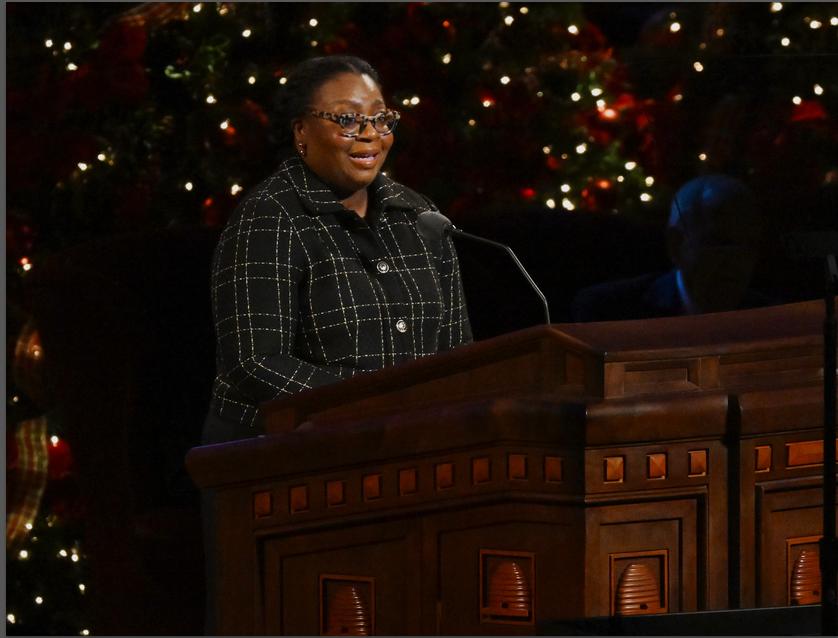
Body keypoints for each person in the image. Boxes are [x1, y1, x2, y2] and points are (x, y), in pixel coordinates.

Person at [202, 55, 473, 445]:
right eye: (347, 120)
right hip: (282, 461)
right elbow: (255, 364)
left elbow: (458, 353)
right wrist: (380, 401)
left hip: (409, 446)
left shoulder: (419, 215)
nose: (370, 134)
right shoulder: (269, 216)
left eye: (380, 119)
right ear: (302, 132)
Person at [571, 174, 774, 322]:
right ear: (676, 245)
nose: (738, 259)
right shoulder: (608, 312)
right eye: (720, 243)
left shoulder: (772, 320)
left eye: (749, 245)